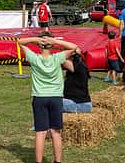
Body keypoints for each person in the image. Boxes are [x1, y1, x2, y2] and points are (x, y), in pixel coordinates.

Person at [18, 32, 79, 163]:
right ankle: (57, 161)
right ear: (51, 46)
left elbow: (20, 42)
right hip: (56, 97)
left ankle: (38, 161)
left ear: (39, 46)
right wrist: (54, 41)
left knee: (40, 132)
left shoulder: (34, 58)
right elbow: (74, 47)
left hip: (39, 97)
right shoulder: (57, 58)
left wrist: (37, 40)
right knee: (56, 132)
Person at [62, 48, 92, 113]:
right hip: (77, 103)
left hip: (79, 105)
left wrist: (54, 42)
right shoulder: (79, 66)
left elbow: (59, 59)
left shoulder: (79, 66)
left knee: (52, 101)